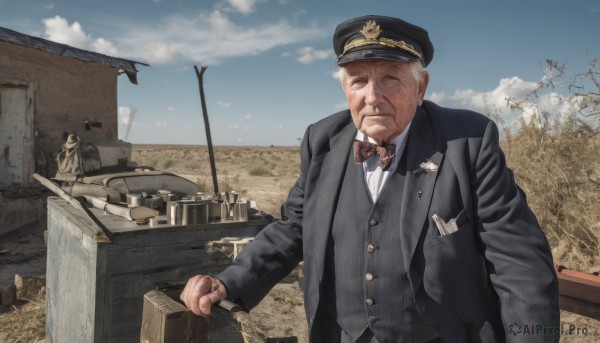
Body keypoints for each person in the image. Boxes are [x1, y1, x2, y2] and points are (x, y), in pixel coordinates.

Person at [181, 15, 559, 342]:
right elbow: (295, 227)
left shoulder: (469, 142)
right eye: (359, 80)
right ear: (345, 89)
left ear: (421, 86)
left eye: (391, 78)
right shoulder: (322, 141)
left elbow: (519, 262)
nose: (373, 96)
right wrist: (230, 281)